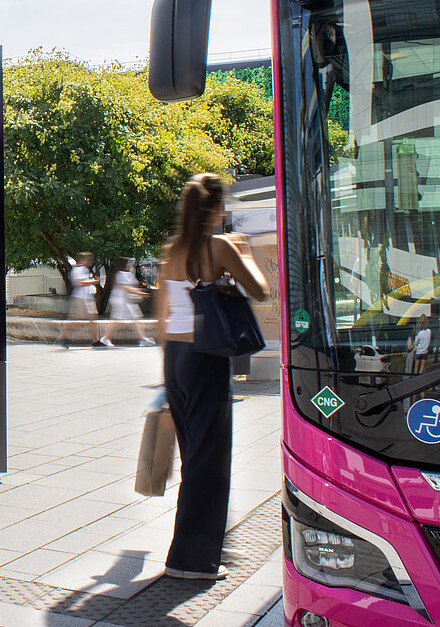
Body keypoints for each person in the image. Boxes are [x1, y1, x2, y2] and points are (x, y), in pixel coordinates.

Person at [153, 173, 268, 581]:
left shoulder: (172, 250)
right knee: (209, 462)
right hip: (205, 360)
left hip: (176, 360)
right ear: (217, 208)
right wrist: (245, 251)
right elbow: (260, 290)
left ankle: (197, 549)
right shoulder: (219, 245)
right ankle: (191, 560)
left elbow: (162, 319)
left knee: (194, 458)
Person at [101, 257, 153, 346]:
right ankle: (105, 338)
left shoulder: (127, 274)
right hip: (121, 301)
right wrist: (139, 293)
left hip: (127, 301)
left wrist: (139, 292)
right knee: (118, 320)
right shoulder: (121, 274)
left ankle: (142, 338)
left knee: (134, 319)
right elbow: (126, 287)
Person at [55, 252, 101, 348]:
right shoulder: (77, 270)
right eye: (87, 259)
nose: (89, 262)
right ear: (82, 260)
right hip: (80, 299)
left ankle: (95, 341)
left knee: (92, 318)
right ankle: (61, 338)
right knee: (76, 320)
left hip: (86, 299)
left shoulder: (84, 270)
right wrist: (94, 281)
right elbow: (79, 283)